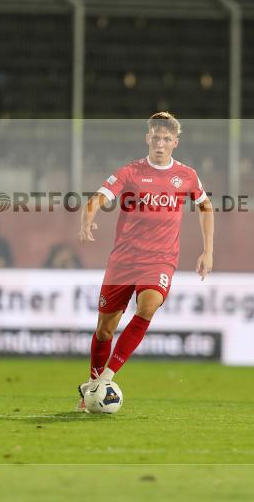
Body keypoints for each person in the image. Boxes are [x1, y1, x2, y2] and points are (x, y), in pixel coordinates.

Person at [75, 112, 214, 411]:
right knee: (104, 331)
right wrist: (88, 216)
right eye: (156, 137)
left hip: (160, 261)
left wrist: (208, 251)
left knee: (147, 306)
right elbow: (99, 197)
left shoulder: (186, 175)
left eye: (166, 138)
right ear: (147, 138)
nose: (160, 143)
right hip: (124, 260)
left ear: (175, 142)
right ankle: (93, 383)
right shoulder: (130, 172)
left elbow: (205, 207)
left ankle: (105, 380)